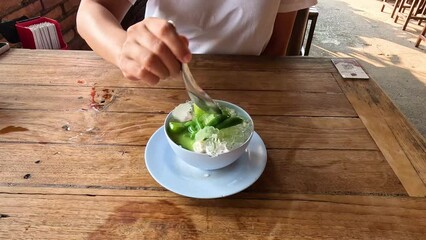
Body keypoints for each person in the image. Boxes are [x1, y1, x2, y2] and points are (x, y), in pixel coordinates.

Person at [77, 0, 317, 85]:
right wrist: (123, 50)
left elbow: (278, 46)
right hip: (158, 81)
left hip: (248, 86)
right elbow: (93, 9)